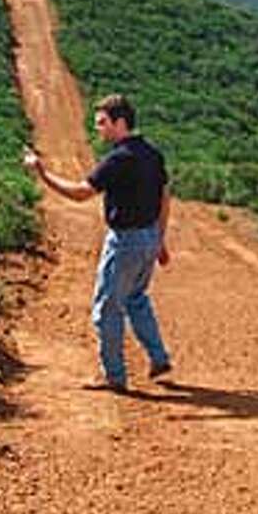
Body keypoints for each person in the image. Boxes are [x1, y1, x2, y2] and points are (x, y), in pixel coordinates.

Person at [22, 93, 172, 393]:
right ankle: (158, 357)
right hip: (147, 238)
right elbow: (165, 195)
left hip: (125, 241)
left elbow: (80, 193)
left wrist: (41, 172)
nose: (98, 129)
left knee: (106, 308)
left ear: (120, 122)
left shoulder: (118, 159)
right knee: (136, 299)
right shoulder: (152, 153)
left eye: (102, 123)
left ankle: (113, 376)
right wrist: (159, 238)